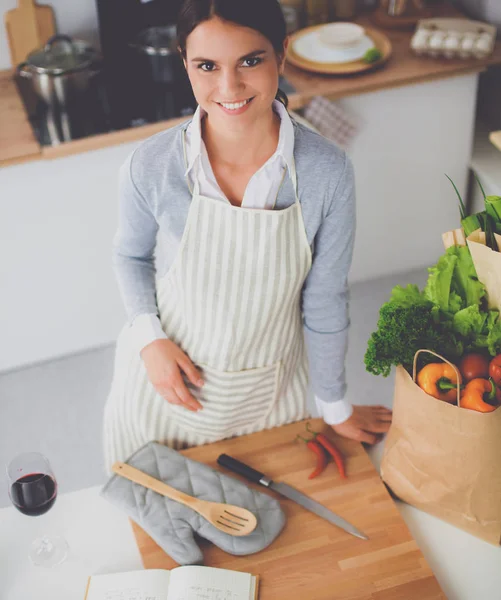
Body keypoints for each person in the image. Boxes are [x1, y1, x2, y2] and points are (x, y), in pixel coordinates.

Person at [103, 0, 392, 469]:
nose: (229, 87)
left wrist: (333, 405)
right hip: (166, 386)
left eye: (250, 61)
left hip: (272, 392)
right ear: (184, 63)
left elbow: (325, 299)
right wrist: (149, 339)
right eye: (207, 66)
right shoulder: (151, 165)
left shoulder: (328, 173)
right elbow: (130, 257)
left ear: (281, 55)